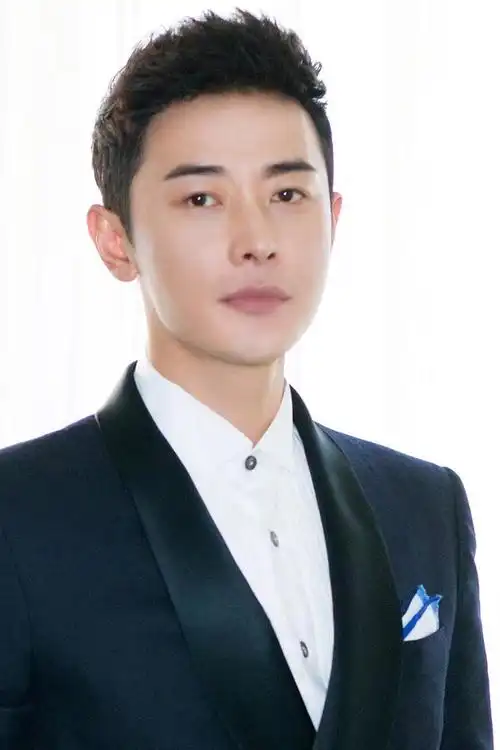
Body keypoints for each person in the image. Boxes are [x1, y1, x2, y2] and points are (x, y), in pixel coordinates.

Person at [0, 8, 493, 750]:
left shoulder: (425, 505)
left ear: (333, 219)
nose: (256, 241)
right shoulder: (17, 516)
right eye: (201, 198)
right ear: (115, 240)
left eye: (287, 195)